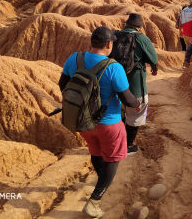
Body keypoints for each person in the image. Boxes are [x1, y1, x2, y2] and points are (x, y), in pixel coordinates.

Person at [59, 26, 141, 218]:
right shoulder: (113, 67)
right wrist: (137, 105)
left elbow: (63, 85)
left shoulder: (75, 59)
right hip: (109, 124)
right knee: (113, 159)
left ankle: (101, 180)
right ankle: (95, 199)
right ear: (109, 44)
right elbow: (127, 99)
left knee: (96, 152)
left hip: (83, 123)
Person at [115, 13, 158, 155]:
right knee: (135, 115)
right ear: (139, 27)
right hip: (135, 85)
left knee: (118, 113)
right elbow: (153, 57)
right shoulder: (141, 38)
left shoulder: (115, 36)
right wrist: (154, 67)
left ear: (126, 24)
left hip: (114, 84)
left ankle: (116, 141)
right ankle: (127, 146)